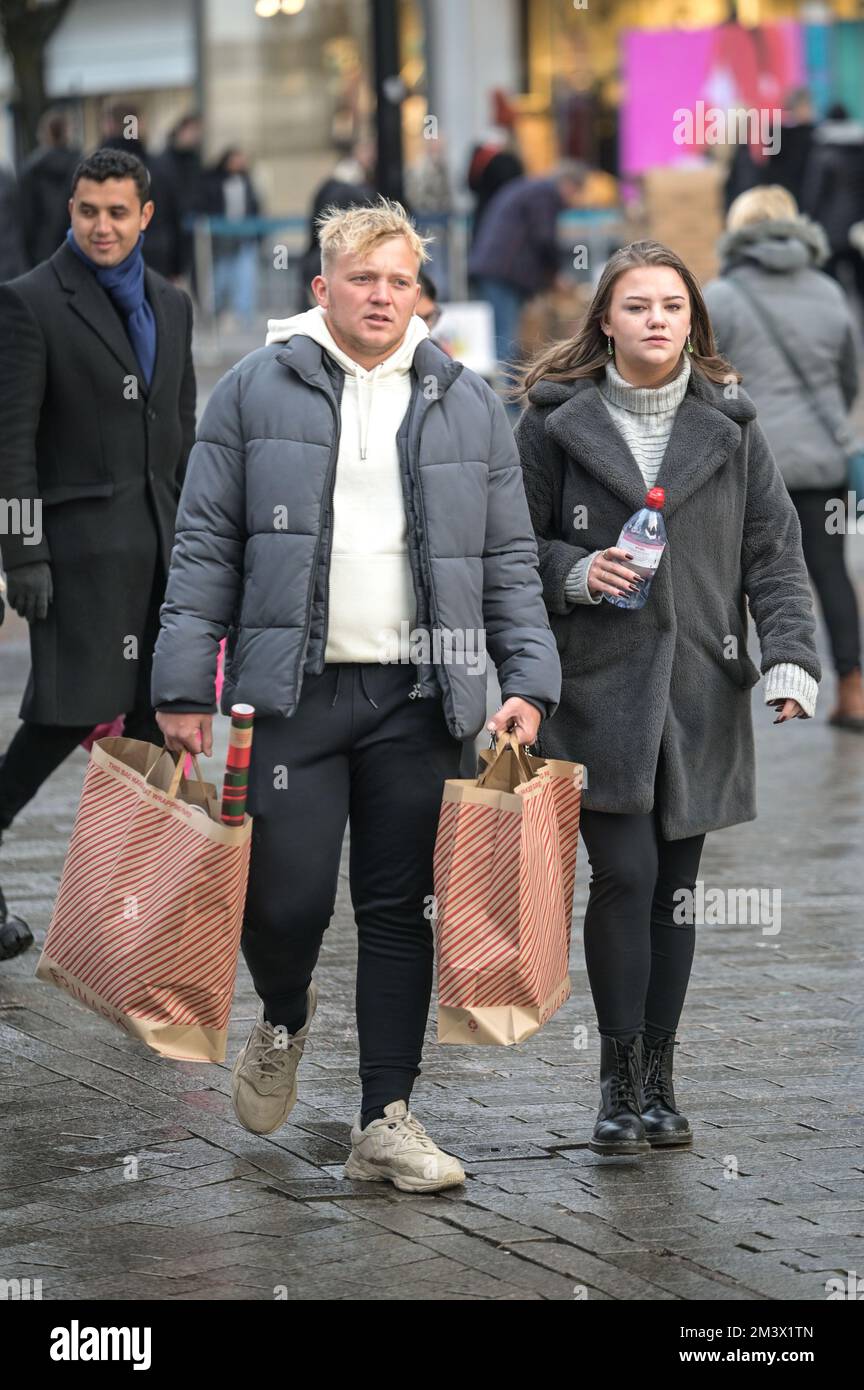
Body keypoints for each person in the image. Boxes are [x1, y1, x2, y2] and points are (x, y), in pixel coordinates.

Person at [151, 198, 560, 1193]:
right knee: (283, 901)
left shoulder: (465, 401)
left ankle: (386, 1116)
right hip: (292, 696)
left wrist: (528, 681)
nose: (383, 296)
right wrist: (178, 678)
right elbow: (204, 543)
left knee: (397, 909)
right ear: (322, 287)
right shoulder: (254, 390)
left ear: (422, 292)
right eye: (362, 279)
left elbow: (509, 559)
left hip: (421, 700)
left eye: (400, 280)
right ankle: (285, 1012)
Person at [514, 239, 820, 1156]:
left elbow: (775, 553)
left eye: (673, 307)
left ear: (694, 322)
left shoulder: (732, 425)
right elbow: (507, 549)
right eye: (638, 305)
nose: (656, 319)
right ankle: (615, 1080)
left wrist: (791, 658)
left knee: (675, 893)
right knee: (628, 874)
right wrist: (573, 570)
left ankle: (661, 1079)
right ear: (604, 319)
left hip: (699, 687)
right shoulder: (550, 421)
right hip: (594, 693)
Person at [0, 147, 196, 961]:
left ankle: (132, 914)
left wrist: (203, 549)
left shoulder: (171, 304)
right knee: (64, 715)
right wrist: (23, 554)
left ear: (145, 216)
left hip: (164, 556)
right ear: (70, 211)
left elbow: (181, 434)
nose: (102, 226)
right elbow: (10, 444)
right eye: (88, 211)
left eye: (118, 212)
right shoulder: (29, 303)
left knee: (154, 728)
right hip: (76, 560)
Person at [704, 185, 864, 731]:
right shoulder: (828, 292)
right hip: (821, 462)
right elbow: (848, 378)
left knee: (724, 580)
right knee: (830, 575)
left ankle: (716, 697)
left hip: (745, 464)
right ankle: (853, 687)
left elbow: (703, 381)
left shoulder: (720, 297)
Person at [468, 161, 588, 377]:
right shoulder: (545, 194)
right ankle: (504, 404)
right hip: (503, 272)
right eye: (577, 192)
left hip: (494, 269)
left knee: (501, 336)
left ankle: (506, 398)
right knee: (504, 338)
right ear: (569, 184)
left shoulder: (532, 189)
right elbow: (544, 238)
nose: (575, 201)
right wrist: (556, 273)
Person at [803, 102, 864, 315]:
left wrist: (808, 221)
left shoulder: (823, 152)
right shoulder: (860, 149)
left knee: (833, 285)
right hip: (859, 230)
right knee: (860, 283)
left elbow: (814, 193)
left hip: (831, 231)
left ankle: (839, 322)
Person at [202, 148, 261, 330]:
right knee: (221, 277)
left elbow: (255, 208)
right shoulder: (215, 183)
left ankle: (243, 315)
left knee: (246, 277)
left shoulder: (247, 183)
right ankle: (216, 312)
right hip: (222, 240)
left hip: (244, 238)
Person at [18, 108, 82, 269]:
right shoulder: (81, 168)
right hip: (75, 248)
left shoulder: (30, 170)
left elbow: (26, 219)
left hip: (41, 254)